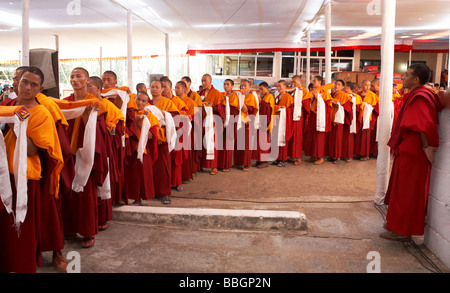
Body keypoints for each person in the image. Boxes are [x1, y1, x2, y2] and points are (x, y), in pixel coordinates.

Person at [0, 67, 63, 273]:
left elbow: (33, 149)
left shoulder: (41, 113)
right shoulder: (6, 105)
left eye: (33, 85)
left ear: (41, 89)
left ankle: (21, 266)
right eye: (24, 81)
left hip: (23, 177)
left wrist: (15, 123)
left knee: (20, 230)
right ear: (17, 81)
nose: (27, 87)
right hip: (2, 174)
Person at [380, 64, 443, 241]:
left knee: (407, 191)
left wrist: (426, 147)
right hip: (409, 148)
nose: (403, 78)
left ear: (416, 79)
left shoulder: (421, 96)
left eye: (406, 75)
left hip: (414, 150)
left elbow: (421, 124)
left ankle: (402, 230)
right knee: (401, 188)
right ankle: (396, 224)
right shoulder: (419, 93)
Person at [62, 67, 108, 248]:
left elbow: (102, 128)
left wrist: (89, 116)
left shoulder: (95, 102)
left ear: (87, 80)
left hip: (87, 153)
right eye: (72, 76)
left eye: (78, 76)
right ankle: (69, 228)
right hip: (67, 152)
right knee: (67, 192)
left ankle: (88, 232)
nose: (74, 79)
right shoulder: (65, 102)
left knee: (86, 194)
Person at [87, 76, 125, 231]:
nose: (86, 89)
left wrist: (108, 127)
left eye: (89, 86)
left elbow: (120, 127)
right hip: (85, 148)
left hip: (103, 146)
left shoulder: (106, 105)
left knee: (102, 181)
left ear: (98, 89)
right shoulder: (79, 103)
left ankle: (102, 216)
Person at [125, 91, 159, 206]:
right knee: (128, 174)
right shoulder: (128, 113)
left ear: (146, 103)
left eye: (143, 101)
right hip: (129, 148)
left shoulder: (150, 116)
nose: (140, 102)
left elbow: (152, 136)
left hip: (142, 149)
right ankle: (124, 197)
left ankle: (137, 198)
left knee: (139, 176)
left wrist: (140, 125)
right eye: (138, 99)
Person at [149, 80, 180, 205]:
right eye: (152, 87)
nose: (154, 89)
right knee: (150, 166)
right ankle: (151, 191)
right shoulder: (147, 102)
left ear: (162, 89)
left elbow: (175, 116)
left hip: (162, 138)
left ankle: (164, 193)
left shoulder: (167, 102)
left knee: (163, 166)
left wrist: (164, 114)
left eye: (157, 87)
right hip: (149, 137)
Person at [162, 79, 187, 192]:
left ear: (170, 87)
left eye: (165, 86)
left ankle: (177, 182)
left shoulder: (177, 101)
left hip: (176, 132)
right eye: (161, 86)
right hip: (162, 133)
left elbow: (183, 116)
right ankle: (164, 183)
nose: (163, 89)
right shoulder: (158, 101)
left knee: (176, 158)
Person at [198, 74, 225, 175]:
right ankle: (202, 164)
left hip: (213, 120)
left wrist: (214, 115)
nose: (203, 83)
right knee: (202, 143)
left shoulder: (216, 93)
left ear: (210, 81)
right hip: (202, 120)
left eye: (205, 81)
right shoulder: (201, 92)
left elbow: (220, 109)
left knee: (213, 144)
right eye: (202, 81)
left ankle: (214, 166)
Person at [304, 76, 333, 165]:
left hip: (320, 117)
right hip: (313, 116)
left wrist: (318, 98)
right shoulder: (312, 92)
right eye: (313, 80)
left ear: (320, 82)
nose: (313, 82)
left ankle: (320, 157)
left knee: (319, 137)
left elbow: (327, 106)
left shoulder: (325, 92)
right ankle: (313, 155)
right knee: (311, 136)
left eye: (315, 80)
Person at [288, 75, 312, 165]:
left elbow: (307, 102)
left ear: (299, 82)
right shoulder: (293, 90)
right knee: (291, 135)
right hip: (291, 115)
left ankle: (298, 157)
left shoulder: (303, 91)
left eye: (294, 82)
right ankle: (291, 155)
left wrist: (301, 104)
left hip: (298, 116)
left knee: (297, 137)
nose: (293, 84)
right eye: (292, 82)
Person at [234, 80, 258, 171]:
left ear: (249, 87)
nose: (243, 88)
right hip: (239, 120)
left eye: (245, 86)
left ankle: (246, 164)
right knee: (238, 143)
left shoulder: (250, 97)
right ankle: (238, 162)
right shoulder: (241, 95)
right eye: (242, 86)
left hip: (247, 122)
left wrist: (240, 99)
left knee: (246, 144)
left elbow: (245, 109)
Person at [174, 80, 196, 183]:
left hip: (186, 129)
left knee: (185, 153)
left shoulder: (190, 102)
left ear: (184, 89)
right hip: (176, 129)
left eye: (178, 88)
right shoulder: (173, 100)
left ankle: (185, 175)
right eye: (175, 87)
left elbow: (194, 117)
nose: (176, 90)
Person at [181, 76, 203, 174]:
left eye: (184, 83)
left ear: (189, 84)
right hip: (182, 124)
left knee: (193, 146)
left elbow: (198, 110)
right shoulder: (179, 96)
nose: (182, 85)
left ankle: (193, 168)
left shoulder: (194, 95)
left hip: (193, 122)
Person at [328, 79, 352, 164]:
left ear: (342, 87)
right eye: (335, 84)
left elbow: (348, 108)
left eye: (339, 85)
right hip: (332, 118)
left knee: (338, 138)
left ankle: (337, 156)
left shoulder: (344, 95)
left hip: (339, 119)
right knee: (331, 137)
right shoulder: (332, 95)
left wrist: (341, 104)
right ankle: (332, 155)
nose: (336, 86)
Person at [251, 82, 274, 168]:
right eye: (259, 89)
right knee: (258, 143)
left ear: (266, 88)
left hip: (265, 122)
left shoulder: (270, 97)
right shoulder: (265, 96)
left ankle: (264, 161)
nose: (260, 91)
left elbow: (268, 109)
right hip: (260, 121)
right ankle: (258, 160)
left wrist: (261, 101)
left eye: (262, 89)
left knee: (264, 143)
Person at [219, 79, 240, 172]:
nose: (226, 86)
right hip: (222, 120)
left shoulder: (234, 96)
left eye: (228, 84)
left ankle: (227, 165)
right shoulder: (221, 94)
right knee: (221, 144)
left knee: (228, 143)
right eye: (224, 84)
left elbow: (234, 111)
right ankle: (220, 164)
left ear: (232, 86)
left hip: (231, 121)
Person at [354, 80, 378, 161]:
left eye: (369, 85)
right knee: (358, 136)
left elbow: (375, 106)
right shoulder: (358, 94)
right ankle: (358, 153)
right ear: (362, 85)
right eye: (365, 85)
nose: (367, 87)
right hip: (359, 117)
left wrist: (367, 106)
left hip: (367, 118)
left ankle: (366, 154)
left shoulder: (372, 95)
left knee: (366, 136)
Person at [273, 80, 294, 167]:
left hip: (284, 121)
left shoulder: (289, 97)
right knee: (275, 139)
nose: (278, 88)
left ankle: (283, 159)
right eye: (277, 86)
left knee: (282, 139)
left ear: (285, 87)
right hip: (277, 119)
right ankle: (277, 157)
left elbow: (292, 110)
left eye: (280, 86)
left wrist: (284, 109)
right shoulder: (277, 97)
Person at [342, 82, 362, 162]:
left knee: (348, 137)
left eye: (345, 86)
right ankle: (346, 155)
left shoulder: (349, 96)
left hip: (348, 118)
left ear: (347, 87)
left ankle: (349, 155)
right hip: (349, 118)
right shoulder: (356, 96)